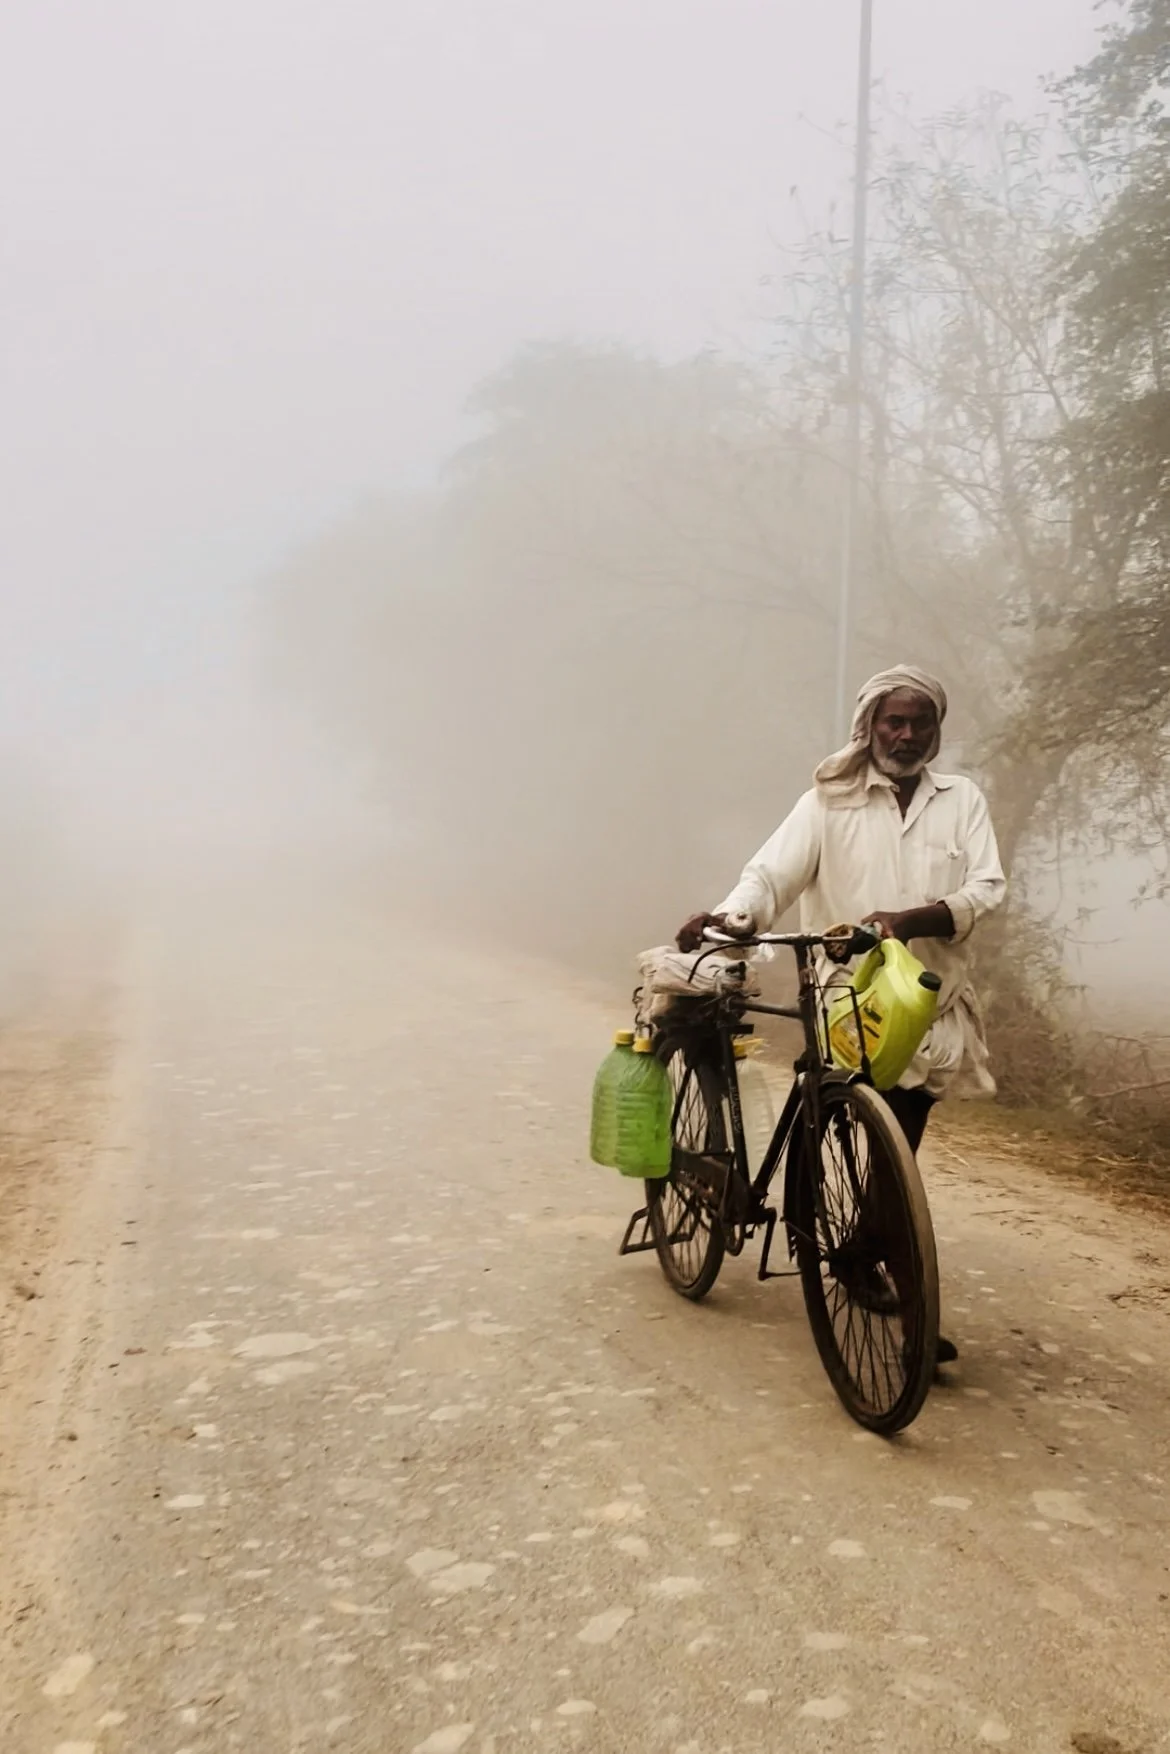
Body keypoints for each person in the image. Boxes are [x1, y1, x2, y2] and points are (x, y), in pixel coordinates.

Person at [676, 665, 1006, 1366]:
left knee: (894, 1156)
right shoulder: (827, 802)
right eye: (894, 721)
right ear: (869, 726)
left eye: (920, 722)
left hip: (929, 1003)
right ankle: (911, 1322)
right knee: (886, 1152)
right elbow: (771, 875)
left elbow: (986, 888)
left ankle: (858, 1252)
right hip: (848, 1002)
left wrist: (910, 919)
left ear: (937, 730)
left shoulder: (961, 800)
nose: (906, 734)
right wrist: (733, 918)